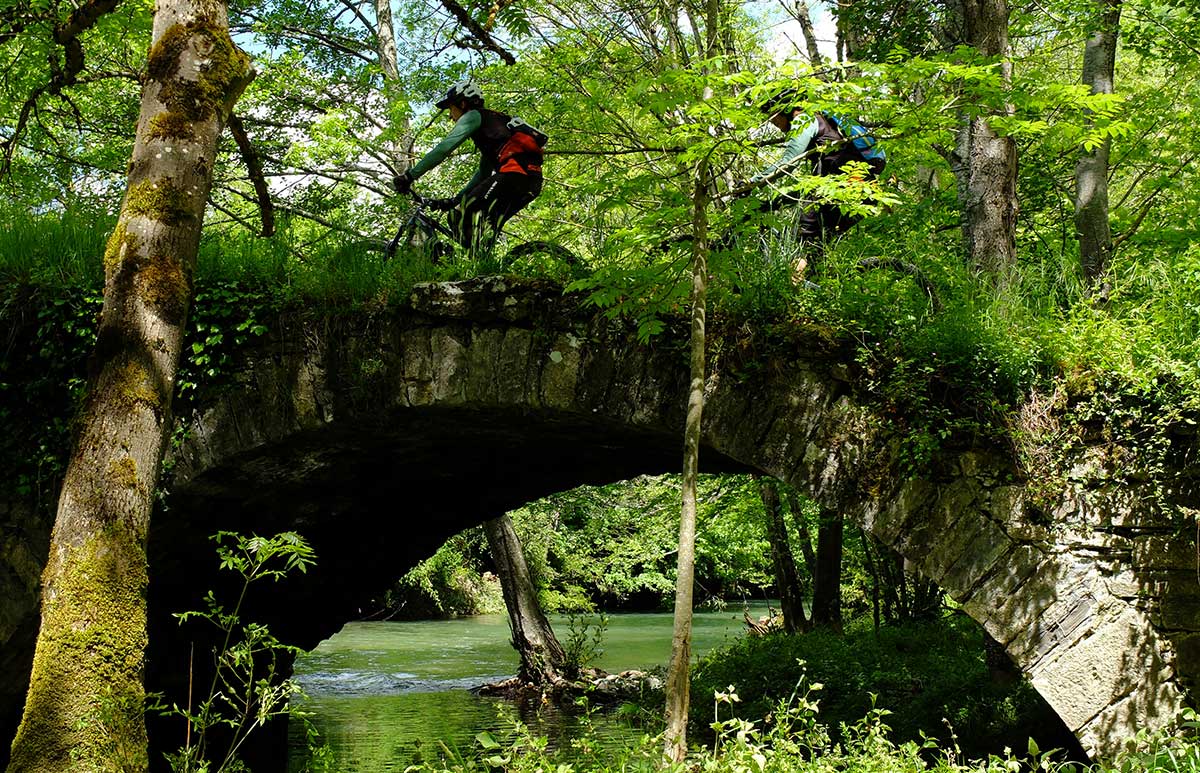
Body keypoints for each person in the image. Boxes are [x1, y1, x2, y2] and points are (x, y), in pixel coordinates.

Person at [393, 80, 545, 253]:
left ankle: (477, 264)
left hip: (512, 178)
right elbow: (483, 173)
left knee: (457, 215)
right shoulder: (495, 129)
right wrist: (455, 199)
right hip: (531, 183)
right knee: (483, 232)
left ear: (463, 103)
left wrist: (409, 176)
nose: (450, 116)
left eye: (451, 108)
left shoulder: (473, 116)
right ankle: (486, 267)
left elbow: (443, 149)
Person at [749, 91, 886, 274]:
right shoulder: (824, 121)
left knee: (800, 243)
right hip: (864, 194)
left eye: (774, 119)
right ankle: (821, 288)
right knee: (816, 249)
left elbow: (787, 164)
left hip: (840, 190)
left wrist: (752, 182)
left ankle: (795, 294)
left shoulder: (804, 121)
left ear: (786, 110)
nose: (775, 124)